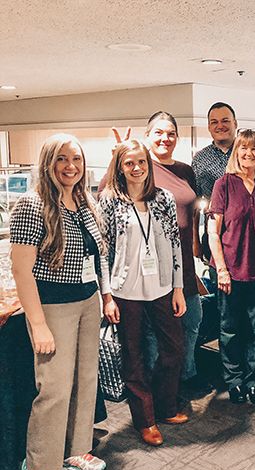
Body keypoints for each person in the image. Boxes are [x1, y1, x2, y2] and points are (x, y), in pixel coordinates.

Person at [10, 134, 111, 470]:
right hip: (52, 306)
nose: (70, 167)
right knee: (53, 387)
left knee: (85, 379)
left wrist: (105, 297)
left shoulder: (85, 203)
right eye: (62, 159)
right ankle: (39, 464)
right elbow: (22, 270)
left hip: (87, 301)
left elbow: (97, 258)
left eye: (76, 160)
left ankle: (77, 450)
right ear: (48, 163)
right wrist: (38, 324)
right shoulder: (31, 203)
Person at [99, 139, 188, 447]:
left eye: (141, 162)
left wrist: (178, 287)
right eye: (129, 163)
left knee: (174, 347)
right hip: (125, 289)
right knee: (133, 355)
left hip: (162, 285)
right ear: (119, 167)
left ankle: (165, 406)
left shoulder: (163, 197)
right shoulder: (110, 200)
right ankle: (145, 419)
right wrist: (107, 295)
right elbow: (102, 251)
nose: (136, 168)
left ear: (149, 165)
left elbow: (175, 245)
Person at [110, 112, 205, 391]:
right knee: (155, 335)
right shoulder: (139, 166)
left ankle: (184, 378)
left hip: (183, 264)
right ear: (148, 136)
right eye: (159, 133)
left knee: (191, 323)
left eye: (171, 133)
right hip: (150, 269)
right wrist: (117, 157)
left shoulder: (186, 170)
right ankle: (155, 390)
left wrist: (196, 247)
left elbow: (192, 209)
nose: (166, 138)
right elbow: (109, 193)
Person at [207, 129, 255, 405]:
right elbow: (214, 233)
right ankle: (235, 381)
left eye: (254, 149)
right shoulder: (223, 185)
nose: (249, 154)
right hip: (229, 271)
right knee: (229, 330)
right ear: (236, 152)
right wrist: (222, 270)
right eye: (243, 149)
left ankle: (253, 381)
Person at [192, 102, 237, 201]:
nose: (220, 126)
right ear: (209, 127)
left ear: (235, 123)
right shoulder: (200, 159)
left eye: (225, 121)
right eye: (214, 122)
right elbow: (196, 199)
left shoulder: (249, 155)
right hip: (212, 216)